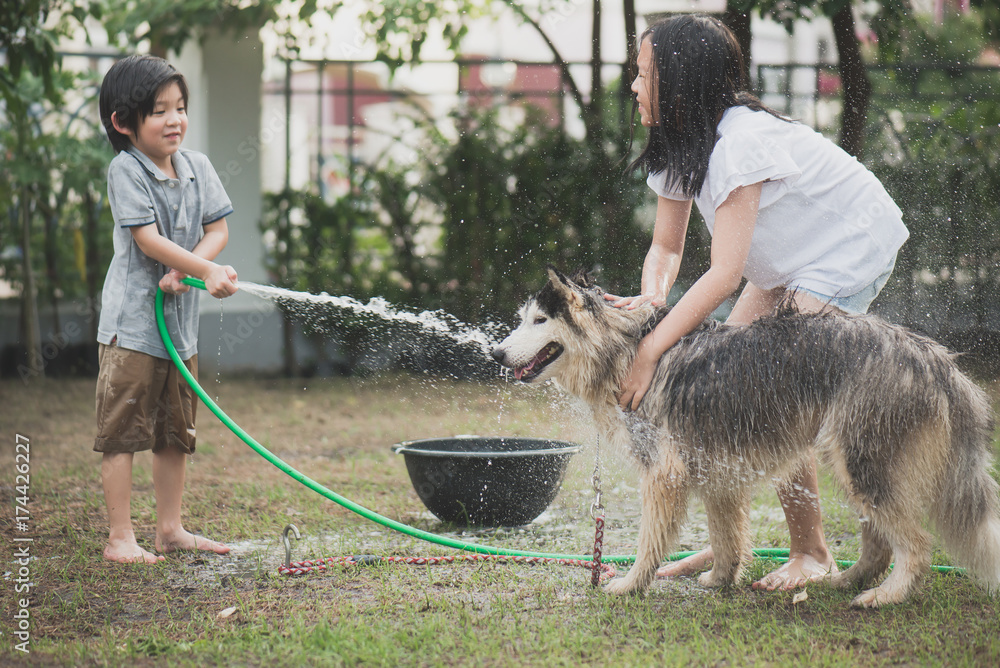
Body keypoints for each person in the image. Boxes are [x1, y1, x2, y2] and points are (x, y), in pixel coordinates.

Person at [607, 15, 908, 590]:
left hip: (848, 245)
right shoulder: (681, 144)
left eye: (643, 74)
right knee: (726, 390)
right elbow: (666, 247)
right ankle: (728, 541)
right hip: (783, 261)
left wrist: (649, 351)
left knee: (773, 387)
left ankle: (813, 552)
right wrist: (651, 303)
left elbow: (722, 275)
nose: (634, 87)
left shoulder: (739, 143)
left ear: (680, 81)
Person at [95, 55, 239, 563]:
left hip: (179, 332)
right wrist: (204, 272)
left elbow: (217, 230)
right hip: (132, 329)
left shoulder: (197, 165)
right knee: (123, 433)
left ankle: (170, 529)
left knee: (175, 433)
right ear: (123, 122)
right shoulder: (126, 169)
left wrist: (193, 267)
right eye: (159, 111)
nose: (175, 119)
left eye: (180, 107)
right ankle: (120, 538)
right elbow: (147, 239)